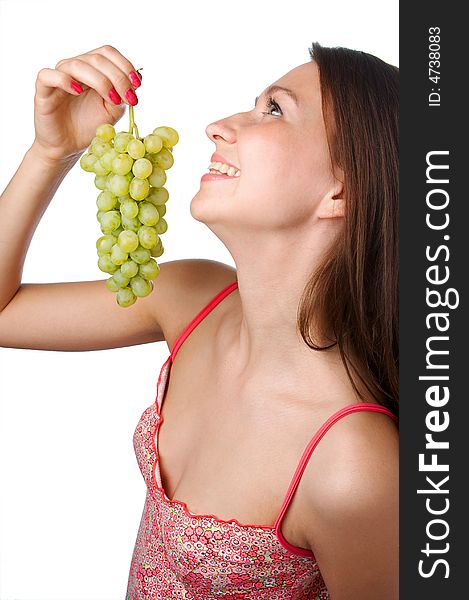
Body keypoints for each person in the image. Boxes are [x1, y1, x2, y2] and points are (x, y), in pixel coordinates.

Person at [0, 42, 399, 599]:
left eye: (275, 109)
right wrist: (51, 152)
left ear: (342, 190)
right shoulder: (192, 297)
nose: (218, 126)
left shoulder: (353, 464)